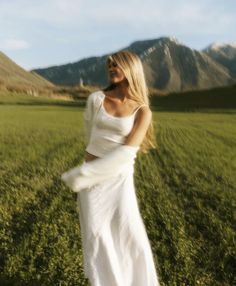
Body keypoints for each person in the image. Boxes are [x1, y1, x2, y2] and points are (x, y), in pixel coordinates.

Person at [61, 50, 160, 286]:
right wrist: (88, 172)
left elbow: (127, 152)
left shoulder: (142, 111)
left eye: (117, 65)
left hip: (118, 181)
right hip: (92, 185)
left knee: (131, 237)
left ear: (131, 69)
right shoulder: (96, 99)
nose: (111, 68)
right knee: (97, 238)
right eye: (110, 65)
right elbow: (91, 138)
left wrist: (83, 174)